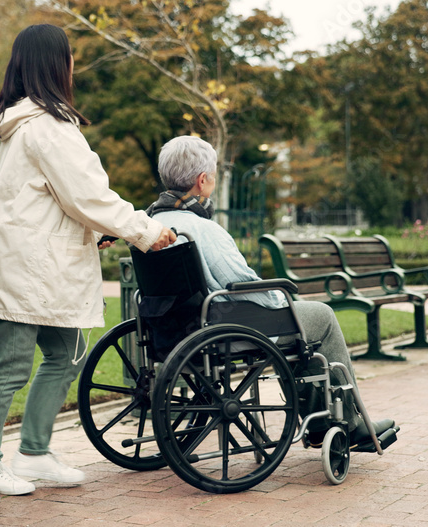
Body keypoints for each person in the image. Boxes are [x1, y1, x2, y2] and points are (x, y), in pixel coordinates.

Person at [0, 24, 176, 496]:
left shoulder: (35, 123)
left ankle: (35, 453)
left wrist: (98, 229)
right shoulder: (45, 126)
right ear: (56, 64)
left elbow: (61, 198)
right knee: (10, 364)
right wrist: (146, 231)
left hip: (37, 261)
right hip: (25, 266)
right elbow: (88, 196)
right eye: (70, 57)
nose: (75, 65)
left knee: (67, 353)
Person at [146, 134, 397, 449]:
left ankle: (321, 422)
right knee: (320, 316)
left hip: (174, 326)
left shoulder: (151, 224)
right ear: (202, 181)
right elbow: (238, 280)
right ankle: (350, 422)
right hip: (224, 326)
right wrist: (281, 300)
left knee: (300, 326)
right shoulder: (204, 229)